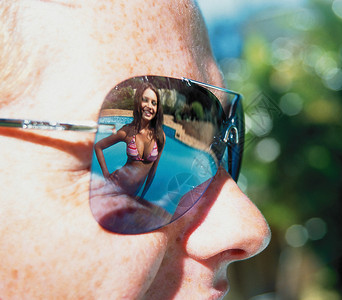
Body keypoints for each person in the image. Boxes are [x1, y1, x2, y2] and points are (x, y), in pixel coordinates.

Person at [0, 1, 270, 299]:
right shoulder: (128, 132)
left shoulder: (159, 138)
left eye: (223, 136)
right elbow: (105, 147)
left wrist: (146, 192)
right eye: (152, 104)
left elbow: (152, 173)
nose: (249, 226)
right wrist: (116, 180)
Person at [94, 82, 165, 196]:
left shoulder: (160, 135)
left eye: (154, 103)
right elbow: (98, 146)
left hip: (132, 193)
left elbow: (152, 171)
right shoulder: (127, 131)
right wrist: (106, 175)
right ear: (138, 102)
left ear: (157, 108)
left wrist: (142, 195)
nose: (149, 106)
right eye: (145, 100)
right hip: (114, 187)